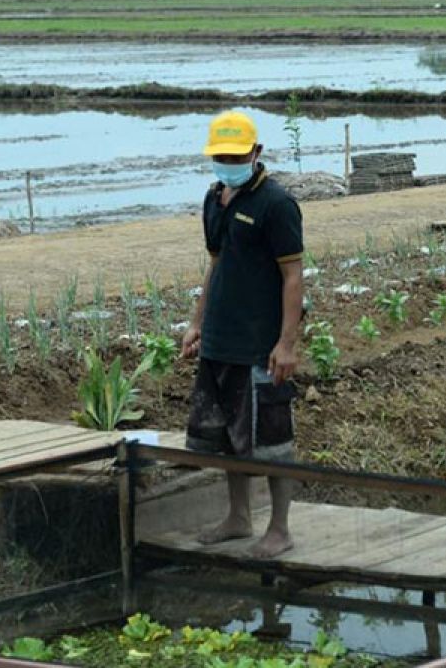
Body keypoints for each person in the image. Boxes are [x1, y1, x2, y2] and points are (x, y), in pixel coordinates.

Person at [181, 110, 305, 559]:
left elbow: (293, 276)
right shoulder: (214, 200)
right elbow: (216, 266)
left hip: (259, 343)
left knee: (272, 440)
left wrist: (286, 343)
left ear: (257, 153)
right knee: (227, 435)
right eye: (221, 155)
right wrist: (197, 323)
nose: (228, 161)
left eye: (236, 154)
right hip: (220, 340)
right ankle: (238, 516)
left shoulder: (276, 205)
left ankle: (280, 527)